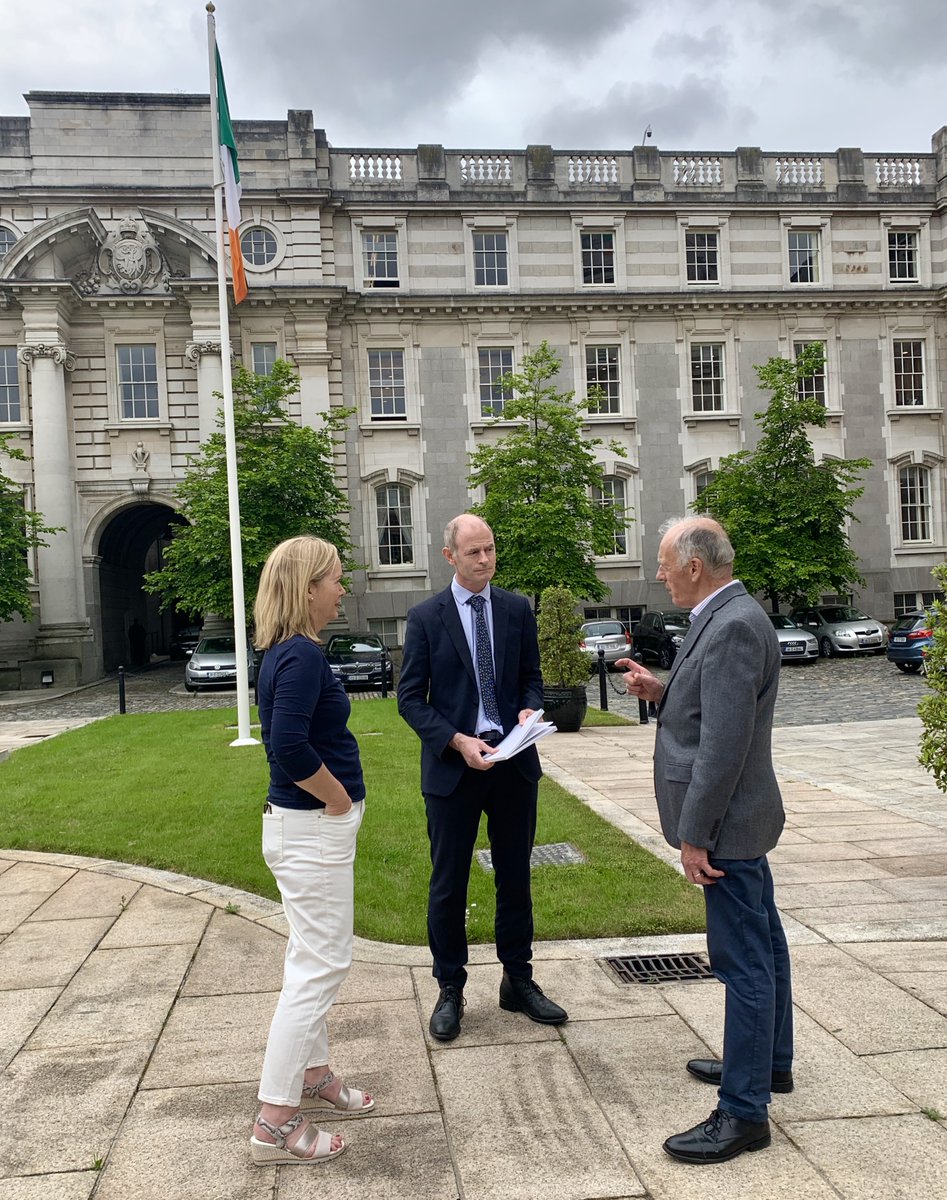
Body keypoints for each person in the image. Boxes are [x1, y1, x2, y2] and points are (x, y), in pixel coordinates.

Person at [619, 516, 792, 1166]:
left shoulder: (733, 626)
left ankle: (743, 1113)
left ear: (694, 565)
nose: (659, 572)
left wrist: (695, 837)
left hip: (727, 826)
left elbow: (722, 748)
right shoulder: (727, 617)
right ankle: (770, 1066)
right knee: (764, 944)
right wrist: (661, 691)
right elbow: (713, 711)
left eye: (664, 562)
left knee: (741, 961)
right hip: (741, 820)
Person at [397, 513, 568, 1041]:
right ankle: (450, 988)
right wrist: (456, 740)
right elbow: (409, 699)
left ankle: (518, 981)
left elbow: (530, 679)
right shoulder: (427, 617)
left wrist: (527, 712)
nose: (486, 560)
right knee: (449, 883)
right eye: (474, 552)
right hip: (455, 768)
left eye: (491, 550)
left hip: (513, 763)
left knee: (515, 876)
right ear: (450, 556)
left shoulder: (516, 609)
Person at [249, 535, 374, 1167]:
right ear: (307, 589)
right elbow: (289, 748)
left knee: (310, 955)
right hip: (311, 829)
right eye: (334, 580)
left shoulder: (283, 651)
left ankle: (313, 1074)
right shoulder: (298, 656)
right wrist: (337, 802)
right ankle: (274, 1120)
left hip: (300, 830)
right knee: (319, 968)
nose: (341, 589)